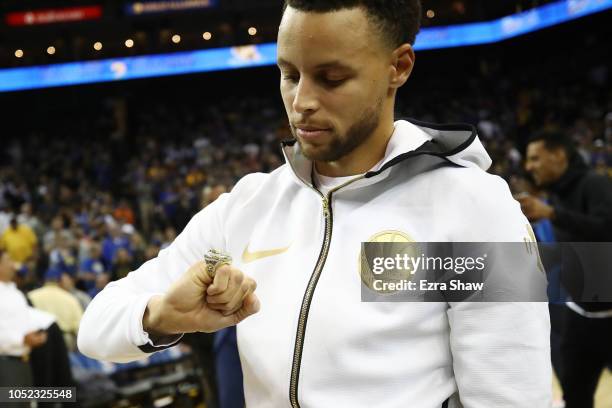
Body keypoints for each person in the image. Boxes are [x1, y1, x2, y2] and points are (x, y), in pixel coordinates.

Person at [79, 1, 551, 407]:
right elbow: (95, 327)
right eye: (289, 74)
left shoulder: (472, 206)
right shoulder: (250, 205)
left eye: (331, 78)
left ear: (399, 67)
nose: (301, 101)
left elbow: (510, 393)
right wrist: (161, 317)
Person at [521, 131, 612, 408]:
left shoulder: (594, 184)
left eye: (535, 158)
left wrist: (551, 214)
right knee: (575, 396)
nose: (529, 166)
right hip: (579, 316)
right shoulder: (559, 193)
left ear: (559, 155)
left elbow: (606, 231)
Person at [0, 248, 53, 388]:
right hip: (5, 362)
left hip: (24, 360)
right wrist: (21, 339)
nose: (13, 265)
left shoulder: (16, 293)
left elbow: (22, 323)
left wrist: (35, 334)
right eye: (8, 260)